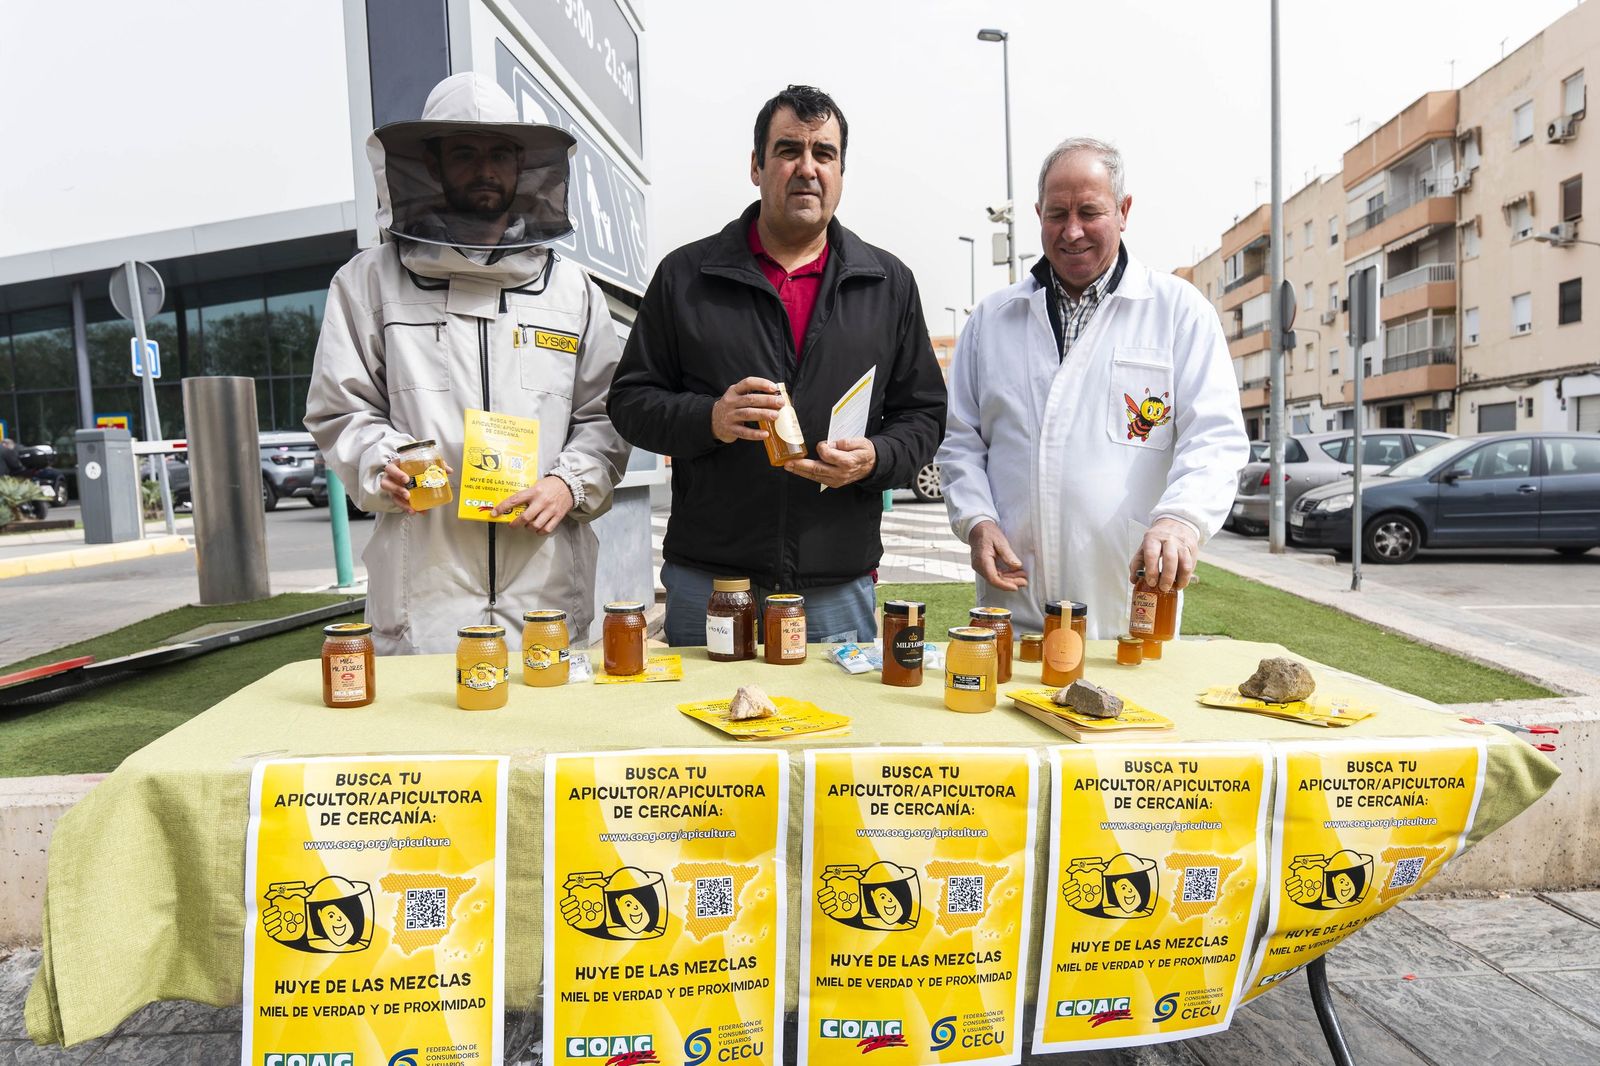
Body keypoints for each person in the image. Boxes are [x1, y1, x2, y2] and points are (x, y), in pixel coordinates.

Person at [608, 85, 946, 645]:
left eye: (824, 154)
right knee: (702, 726)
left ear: (841, 170)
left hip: (836, 585)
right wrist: (710, 419)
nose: (807, 169)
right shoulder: (686, 276)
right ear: (756, 165)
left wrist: (876, 457)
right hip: (713, 581)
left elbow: (925, 416)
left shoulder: (888, 284)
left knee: (832, 732)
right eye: (789, 150)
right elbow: (630, 401)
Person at [305, 73, 629, 655]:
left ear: (523, 164)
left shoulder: (572, 291)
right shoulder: (367, 283)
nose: (485, 169)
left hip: (546, 588)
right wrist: (386, 463)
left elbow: (608, 415)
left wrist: (566, 482)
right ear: (431, 164)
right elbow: (340, 409)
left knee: (543, 741)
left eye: (500, 153)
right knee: (429, 744)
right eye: (465, 152)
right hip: (423, 592)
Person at [937, 137, 1248, 638]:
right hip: (1014, 609)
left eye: (1090, 211)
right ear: (1038, 214)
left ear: (1124, 211)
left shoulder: (1178, 313)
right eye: (1057, 213)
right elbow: (961, 443)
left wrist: (1181, 519)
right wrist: (977, 520)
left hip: (1126, 607)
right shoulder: (992, 322)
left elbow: (1214, 437)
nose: (1072, 231)